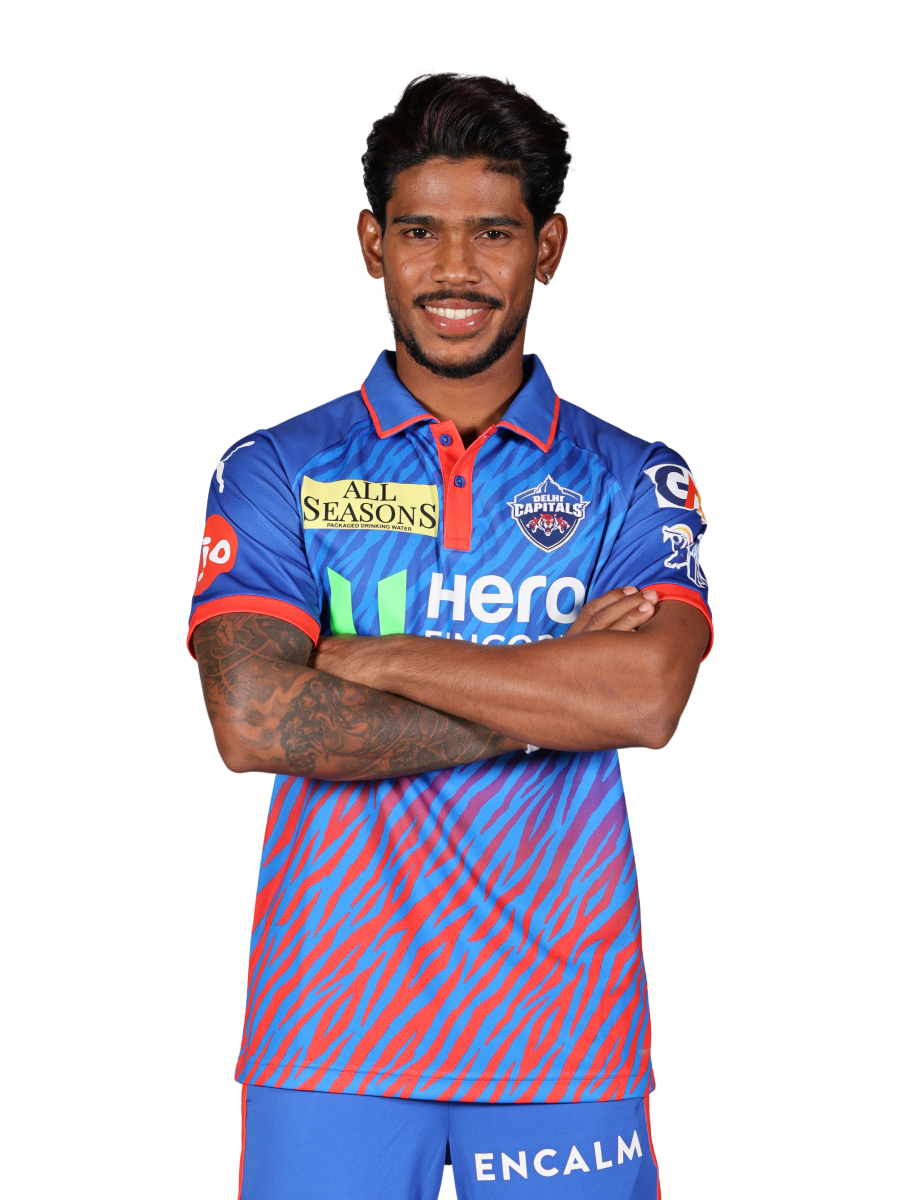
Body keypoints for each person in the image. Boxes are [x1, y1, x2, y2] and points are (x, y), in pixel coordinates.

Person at [187, 70, 711, 1200]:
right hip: (327, 1035)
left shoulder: (635, 477)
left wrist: (375, 658)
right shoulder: (276, 467)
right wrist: (550, 698)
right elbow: (254, 721)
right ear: (373, 245)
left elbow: (645, 701)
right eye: (421, 231)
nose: (456, 269)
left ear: (548, 250)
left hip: (569, 1037)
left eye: (495, 233)